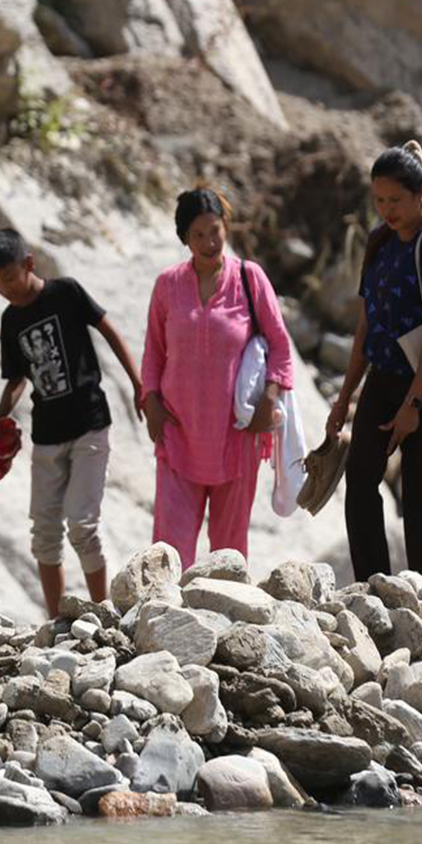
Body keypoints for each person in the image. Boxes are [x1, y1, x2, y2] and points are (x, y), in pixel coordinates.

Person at [0, 230, 143, 615]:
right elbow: (17, 380)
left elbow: (108, 330)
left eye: (8, 277)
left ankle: (102, 611)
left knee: (82, 524)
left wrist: (140, 385)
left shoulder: (66, 292)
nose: (4, 288)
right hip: (47, 435)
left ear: (29, 264)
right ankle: (55, 620)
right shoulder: (10, 320)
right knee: (43, 532)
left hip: (90, 424)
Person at [326, 143, 422, 581]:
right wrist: (345, 397)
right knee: (360, 479)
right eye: (379, 200)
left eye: (396, 200)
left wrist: (414, 405)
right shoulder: (380, 241)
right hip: (384, 379)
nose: (387, 210)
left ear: (421, 193)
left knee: (417, 489)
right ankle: (375, 585)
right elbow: (367, 327)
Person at [142, 189, 293, 570]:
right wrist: (152, 402)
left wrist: (269, 400)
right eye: (198, 235)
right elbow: (154, 352)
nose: (210, 243)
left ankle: (227, 622)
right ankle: (162, 621)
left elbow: (279, 345)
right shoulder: (167, 286)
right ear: (184, 239)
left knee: (228, 552)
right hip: (179, 434)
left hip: (236, 436)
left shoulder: (249, 278)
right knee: (168, 551)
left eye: (215, 231)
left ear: (227, 228)